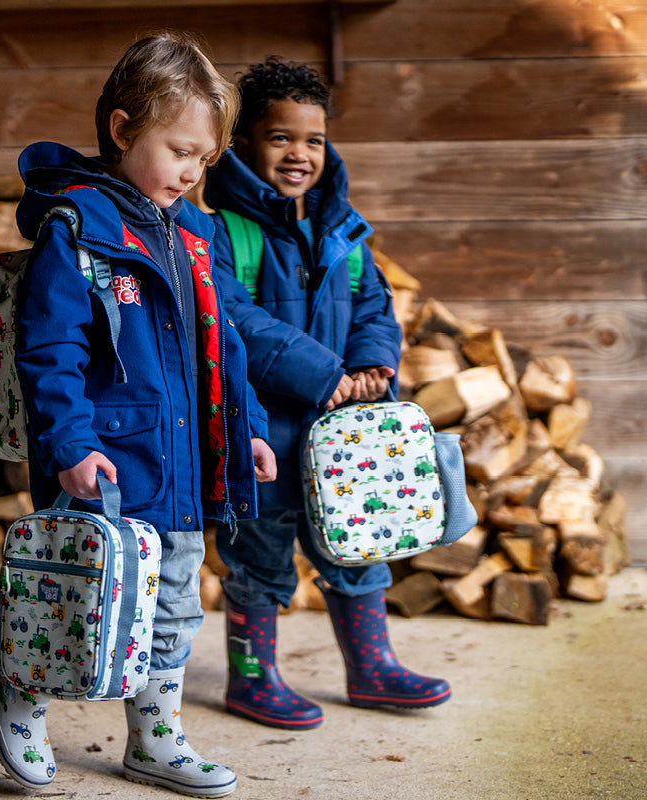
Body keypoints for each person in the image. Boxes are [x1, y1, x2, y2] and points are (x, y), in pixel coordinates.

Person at [0, 32, 276, 798]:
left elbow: (225, 345)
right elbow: (48, 349)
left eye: (203, 160)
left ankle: (155, 740)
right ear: (121, 130)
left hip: (181, 463)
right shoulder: (77, 228)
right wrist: (70, 444)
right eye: (179, 149)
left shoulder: (196, 232)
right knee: (74, 597)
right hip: (107, 461)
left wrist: (245, 429)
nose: (190, 171)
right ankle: (20, 697)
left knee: (175, 604)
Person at [204, 56, 452, 731]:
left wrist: (372, 362)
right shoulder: (223, 230)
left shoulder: (342, 229)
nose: (300, 154)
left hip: (347, 436)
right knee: (258, 557)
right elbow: (233, 320)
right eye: (281, 137)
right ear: (244, 143)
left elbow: (375, 304)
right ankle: (251, 679)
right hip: (265, 437)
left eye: (313, 140)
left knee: (360, 543)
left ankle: (371, 668)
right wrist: (322, 371)